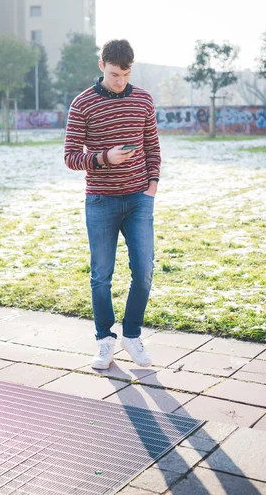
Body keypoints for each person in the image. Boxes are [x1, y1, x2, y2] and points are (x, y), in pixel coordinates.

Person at [64, 39, 161, 369]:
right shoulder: (82, 104)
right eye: (114, 74)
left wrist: (152, 186)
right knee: (101, 275)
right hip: (100, 200)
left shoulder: (144, 99)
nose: (120, 81)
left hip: (138, 200)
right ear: (101, 65)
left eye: (126, 74)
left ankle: (132, 335)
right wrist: (104, 158)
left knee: (144, 271)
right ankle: (105, 340)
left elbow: (153, 148)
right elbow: (71, 157)